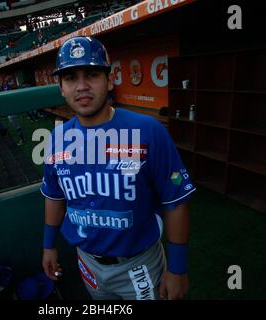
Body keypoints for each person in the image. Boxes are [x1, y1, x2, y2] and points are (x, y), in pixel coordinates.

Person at [41, 37, 195, 300]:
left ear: (110, 81)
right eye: (70, 77)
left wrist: (178, 268)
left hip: (140, 264)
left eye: (92, 74)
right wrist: (48, 246)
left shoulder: (147, 130)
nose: (81, 86)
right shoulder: (56, 139)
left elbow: (175, 201)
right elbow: (55, 197)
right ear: (61, 88)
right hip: (87, 261)